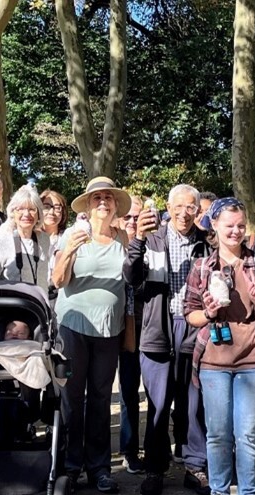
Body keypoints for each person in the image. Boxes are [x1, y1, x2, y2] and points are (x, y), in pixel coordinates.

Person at [185, 198, 255, 495]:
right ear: (215, 226)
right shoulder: (201, 267)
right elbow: (191, 314)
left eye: (241, 225)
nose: (236, 231)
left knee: (249, 432)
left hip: (252, 358)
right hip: (213, 360)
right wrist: (209, 312)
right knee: (217, 433)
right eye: (229, 226)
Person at [125, 183, 210, 495]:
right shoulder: (153, 239)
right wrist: (137, 240)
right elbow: (132, 278)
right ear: (168, 208)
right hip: (158, 330)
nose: (184, 213)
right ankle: (155, 469)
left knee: (193, 404)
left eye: (191, 207)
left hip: (194, 328)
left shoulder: (205, 244)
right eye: (179, 206)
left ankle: (195, 467)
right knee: (159, 406)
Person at [52, 176, 131, 494]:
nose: (103, 202)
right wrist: (68, 250)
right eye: (96, 198)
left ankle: (99, 468)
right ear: (87, 204)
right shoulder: (73, 236)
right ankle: (70, 468)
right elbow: (58, 280)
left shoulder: (123, 239)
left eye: (108, 198)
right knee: (72, 397)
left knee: (100, 399)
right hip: (73, 326)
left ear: (115, 206)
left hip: (109, 330)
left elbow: (130, 284)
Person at [114, 195, 145, 475]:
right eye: (128, 217)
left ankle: (137, 449)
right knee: (120, 392)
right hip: (113, 324)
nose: (133, 222)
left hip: (143, 324)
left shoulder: (151, 244)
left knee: (139, 390)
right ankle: (125, 450)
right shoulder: (113, 244)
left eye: (137, 217)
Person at [0, 184, 52, 290]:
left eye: (32, 209)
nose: (26, 214)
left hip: (38, 304)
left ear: (39, 214)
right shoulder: (1, 240)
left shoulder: (44, 239)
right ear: (13, 213)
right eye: (20, 209)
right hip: (11, 304)